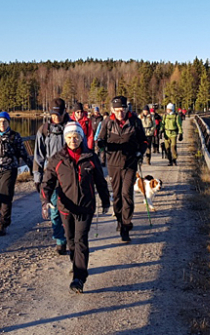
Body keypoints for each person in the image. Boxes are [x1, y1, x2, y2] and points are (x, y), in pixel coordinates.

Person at [40, 122, 110, 293]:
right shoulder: (57, 159)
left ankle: (79, 277)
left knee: (80, 240)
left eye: (76, 137)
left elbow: (100, 182)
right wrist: (45, 200)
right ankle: (75, 261)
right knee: (70, 239)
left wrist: (106, 200)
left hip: (85, 207)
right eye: (70, 137)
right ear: (65, 138)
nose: (73, 140)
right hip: (65, 207)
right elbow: (47, 182)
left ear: (81, 138)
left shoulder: (90, 158)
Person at [96, 96, 147, 242]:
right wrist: (101, 145)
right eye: (117, 110)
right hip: (113, 165)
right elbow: (100, 139)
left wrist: (140, 152)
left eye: (123, 109)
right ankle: (119, 219)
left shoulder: (135, 122)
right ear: (113, 110)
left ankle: (126, 226)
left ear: (126, 109)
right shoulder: (108, 122)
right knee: (117, 196)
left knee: (127, 195)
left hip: (130, 163)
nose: (120, 113)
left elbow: (143, 140)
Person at [0, 111, 32, 236]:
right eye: (0, 121)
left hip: (10, 168)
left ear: (8, 122)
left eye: (4, 121)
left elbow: (23, 152)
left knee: (6, 194)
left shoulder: (14, 136)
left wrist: (31, 166)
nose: (2, 123)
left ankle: (2, 224)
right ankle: (6, 216)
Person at [33, 98, 70, 254]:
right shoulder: (44, 130)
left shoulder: (72, 128)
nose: (56, 118)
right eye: (53, 114)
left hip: (70, 176)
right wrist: (37, 177)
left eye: (58, 114)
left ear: (64, 112)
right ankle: (60, 241)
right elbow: (38, 156)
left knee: (70, 211)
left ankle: (71, 238)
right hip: (52, 176)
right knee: (54, 211)